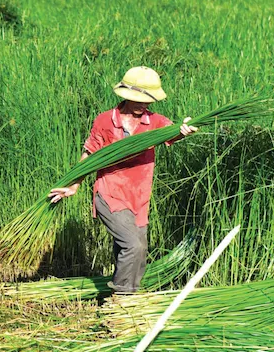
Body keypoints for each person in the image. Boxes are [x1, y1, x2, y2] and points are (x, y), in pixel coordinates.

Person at [48, 66, 197, 293]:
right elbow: (89, 154)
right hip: (110, 194)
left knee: (139, 250)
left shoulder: (154, 122)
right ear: (125, 96)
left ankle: (132, 293)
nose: (143, 104)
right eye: (138, 99)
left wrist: (184, 129)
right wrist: (74, 184)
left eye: (148, 100)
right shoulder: (106, 121)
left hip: (139, 198)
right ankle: (122, 297)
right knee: (133, 245)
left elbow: (174, 131)